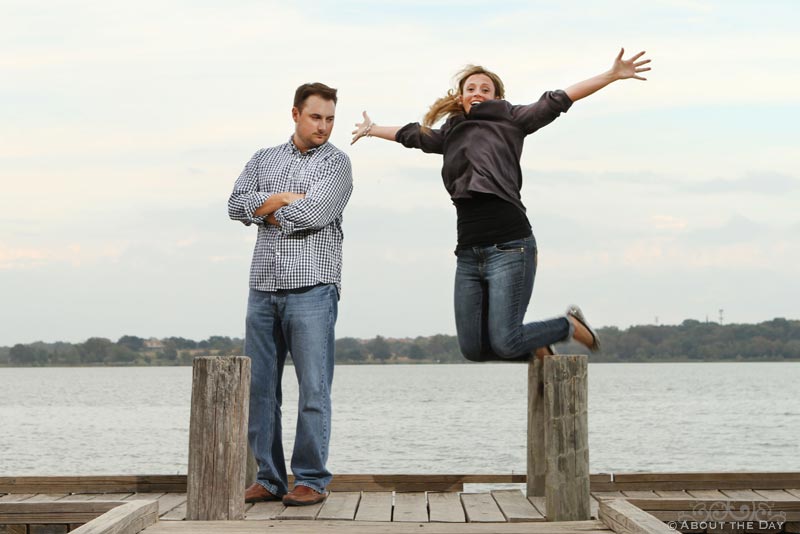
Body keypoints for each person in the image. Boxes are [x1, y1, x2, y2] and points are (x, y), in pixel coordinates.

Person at [351, 49, 651, 361]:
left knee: (505, 341)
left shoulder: (512, 119)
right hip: (468, 252)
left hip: (510, 245)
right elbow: (412, 135)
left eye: (485, 89)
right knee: (474, 349)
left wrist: (612, 75)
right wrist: (372, 130)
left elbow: (559, 99)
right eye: (470, 89)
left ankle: (567, 325)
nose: (477, 93)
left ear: (496, 96)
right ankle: (536, 343)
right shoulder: (451, 132)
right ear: (460, 97)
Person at [228, 82, 353, 506]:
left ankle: (311, 480)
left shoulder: (337, 164)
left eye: (330, 119)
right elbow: (234, 205)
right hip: (262, 288)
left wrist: (262, 211)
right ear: (296, 114)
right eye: (316, 117)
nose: (324, 126)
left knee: (314, 390)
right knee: (260, 389)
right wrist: (279, 199)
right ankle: (269, 478)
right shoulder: (263, 159)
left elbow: (314, 213)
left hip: (314, 288)